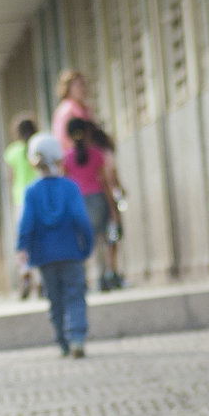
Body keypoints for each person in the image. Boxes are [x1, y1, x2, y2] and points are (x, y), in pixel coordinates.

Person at [16, 133, 95, 358]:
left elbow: (26, 223)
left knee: (55, 300)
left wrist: (22, 248)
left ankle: (63, 342)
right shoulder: (70, 187)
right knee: (76, 296)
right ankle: (77, 338)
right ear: (60, 159)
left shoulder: (31, 191)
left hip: (44, 257)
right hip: (72, 253)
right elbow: (82, 219)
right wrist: (86, 247)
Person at [64, 117, 123, 292]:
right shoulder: (97, 154)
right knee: (101, 239)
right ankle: (102, 277)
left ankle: (82, 279)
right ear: (87, 132)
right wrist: (113, 208)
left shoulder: (67, 158)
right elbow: (104, 182)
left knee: (81, 242)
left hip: (77, 202)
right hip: (97, 199)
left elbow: (66, 183)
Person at [2, 113, 41, 299]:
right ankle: (41, 279)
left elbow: (11, 178)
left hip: (21, 200)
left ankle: (25, 271)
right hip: (39, 200)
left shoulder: (12, 151)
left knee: (23, 240)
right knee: (40, 238)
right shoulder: (38, 148)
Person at [51, 69, 94, 155]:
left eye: (84, 84)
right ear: (68, 89)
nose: (83, 89)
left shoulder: (84, 109)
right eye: (79, 85)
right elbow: (62, 141)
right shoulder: (66, 111)